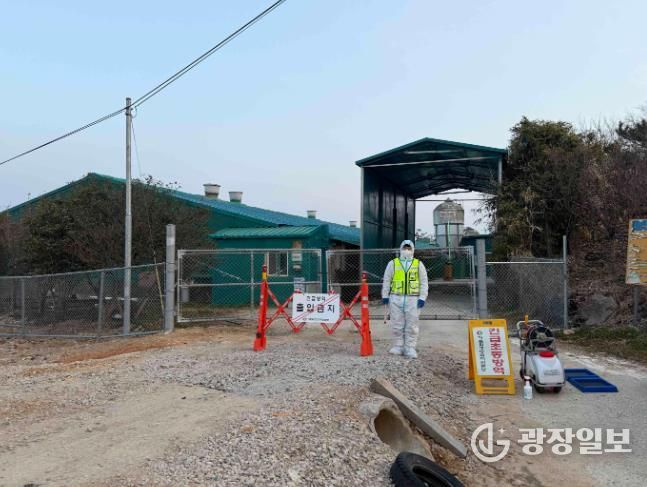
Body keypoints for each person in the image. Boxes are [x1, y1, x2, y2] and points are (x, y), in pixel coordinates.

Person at [381, 240, 428, 359]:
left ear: (412, 250)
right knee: (397, 323)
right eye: (405, 248)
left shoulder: (418, 264)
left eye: (409, 248)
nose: (407, 250)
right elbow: (387, 280)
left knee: (412, 324)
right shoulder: (393, 263)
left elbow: (424, 282)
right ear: (401, 249)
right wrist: (385, 295)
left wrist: (422, 297)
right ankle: (398, 346)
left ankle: (410, 347)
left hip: (413, 299)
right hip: (396, 297)